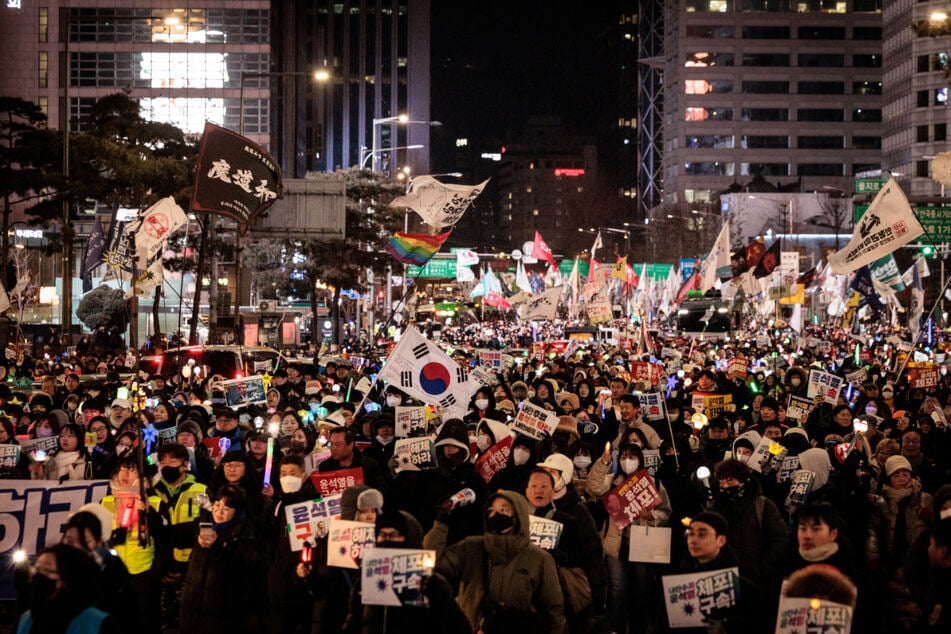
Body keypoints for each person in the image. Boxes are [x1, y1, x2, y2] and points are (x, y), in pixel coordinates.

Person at [424, 490, 565, 634]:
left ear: (519, 515)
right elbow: (433, 561)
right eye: (491, 511)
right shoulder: (472, 547)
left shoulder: (539, 559)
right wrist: (441, 525)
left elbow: (554, 611)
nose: (496, 515)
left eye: (504, 510)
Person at [344, 509, 471, 634]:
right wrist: (358, 603)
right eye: (382, 535)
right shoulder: (365, 581)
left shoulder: (433, 582)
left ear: (409, 539)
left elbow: (460, 628)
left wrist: (437, 600)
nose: (387, 540)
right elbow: (353, 625)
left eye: (394, 535)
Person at [180, 484, 266, 634]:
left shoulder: (245, 533)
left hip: (223, 613)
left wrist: (218, 546)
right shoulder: (203, 524)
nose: (219, 512)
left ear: (237, 512)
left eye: (226, 509)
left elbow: (242, 566)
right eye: (217, 505)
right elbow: (172, 535)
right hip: (193, 606)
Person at [152, 442, 208, 631]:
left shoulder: (199, 489)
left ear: (185, 465)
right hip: (162, 562)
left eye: (173, 461)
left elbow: (209, 520)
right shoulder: (154, 491)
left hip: (190, 563)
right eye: (163, 462)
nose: (167, 466)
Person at [16, 543, 117, 634]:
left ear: (68, 577)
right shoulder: (26, 619)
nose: (38, 576)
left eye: (47, 570)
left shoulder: (98, 623)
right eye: (37, 569)